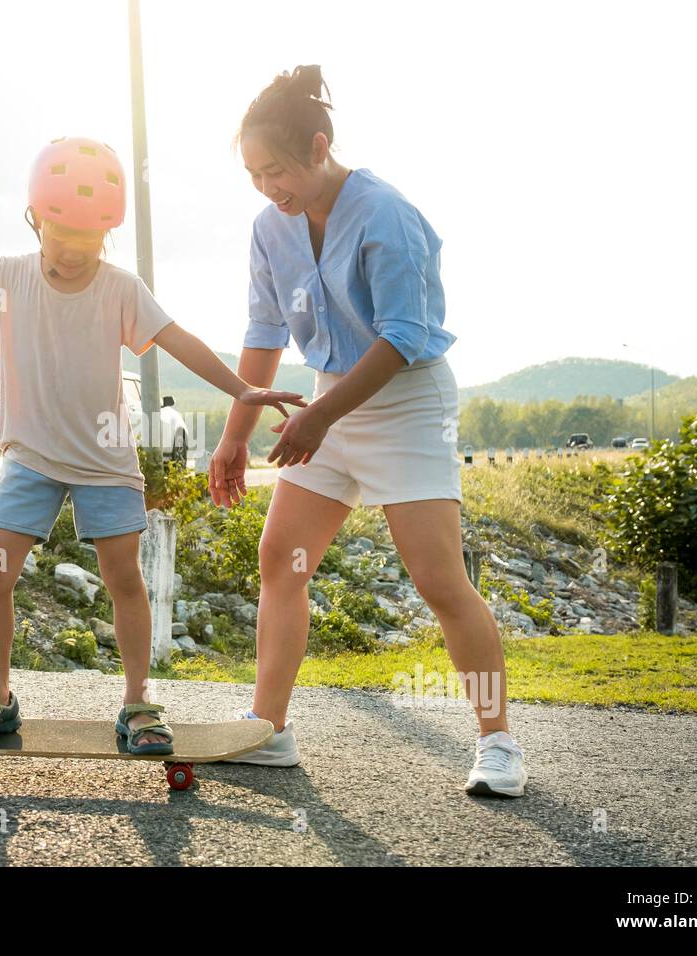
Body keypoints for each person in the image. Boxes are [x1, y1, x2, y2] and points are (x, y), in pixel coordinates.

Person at [0, 136, 305, 757]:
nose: (75, 254)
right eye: (62, 237)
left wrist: (243, 388)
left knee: (124, 580)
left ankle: (139, 704)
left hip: (106, 463)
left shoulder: (120, 289)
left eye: (90, 243)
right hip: (31, 460)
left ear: (108, 236)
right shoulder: (4, 277)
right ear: (36, 219)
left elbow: (179, 339)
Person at [211, 67, 527, 797]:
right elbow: (262, 337)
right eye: (254, 174)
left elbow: (402, 337)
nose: (267, 187)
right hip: (327, 399)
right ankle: (269, 728)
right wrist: (235, 433)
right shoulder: (269, 229)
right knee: (280, 560)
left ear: (320, 146)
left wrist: (322, 417)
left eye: (277, 170)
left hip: (404, 397)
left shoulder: (386, 214)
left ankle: (499, 742)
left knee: (438, 578)